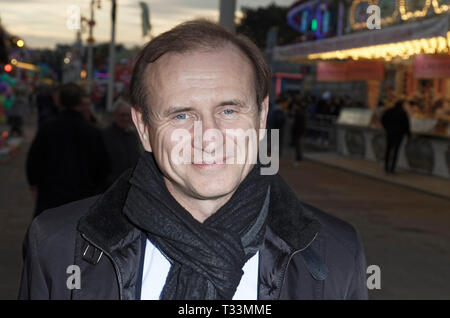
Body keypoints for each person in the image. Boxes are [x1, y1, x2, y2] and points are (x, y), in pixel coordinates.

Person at [19, 20, 367, 300]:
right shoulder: (57, 244)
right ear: (143, 127)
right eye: (182, 116)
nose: (209, 137)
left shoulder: (335, 252)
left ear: (261, 117)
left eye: (229, 110)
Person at [25, 83, 110, 217]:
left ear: (59, 102)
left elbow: (34, 160)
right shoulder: (93, 131)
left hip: (51, 196)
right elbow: (103, 166)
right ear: (80, 102)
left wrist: (34, 184)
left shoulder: (48, 127)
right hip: (82, 196)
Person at [102, 98, 141, 186]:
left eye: (128, 115)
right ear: (114, 116)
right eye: (122, 115)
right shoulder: (105, 135)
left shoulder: (133, 135)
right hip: (110, 185)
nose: (125, 118)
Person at [381, 100, 411, 174]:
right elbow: (406, 124)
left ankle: (386, 167)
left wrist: (386, 128)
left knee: (388, 149)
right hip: (399, 134)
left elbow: (382, 119)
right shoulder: (403, 113)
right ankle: (392, 168)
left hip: (390, 133)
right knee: (396, 151)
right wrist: (408, 134)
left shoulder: (389, 111)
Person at [291, 100, 306, 166]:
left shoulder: (299, 113)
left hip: (298, 132)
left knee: (298, 146)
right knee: (298, 145)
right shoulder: (300, 112)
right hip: (299, 131)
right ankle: (298, 158)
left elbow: (298, 124)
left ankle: (298, 159)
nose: (294, 107)